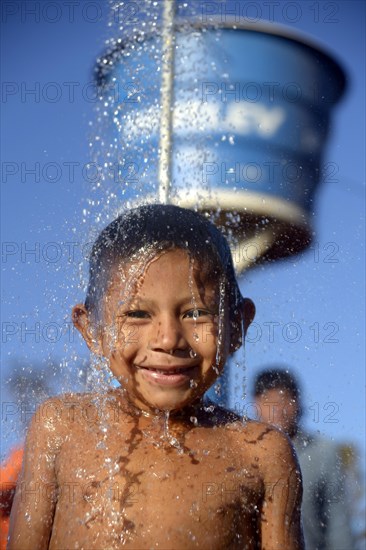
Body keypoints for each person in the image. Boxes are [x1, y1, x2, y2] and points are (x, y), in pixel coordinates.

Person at [8, 204, 304, 549]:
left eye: (196, 313)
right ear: (92, 331)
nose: (167, 339)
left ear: (236, 325)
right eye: (137, 314)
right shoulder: (62, 427)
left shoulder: (261, 453)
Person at [253, 368, 355, 550]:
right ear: (256, 405)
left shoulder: (323, 453)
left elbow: (338, 523)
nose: (278, 410)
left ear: (298, 403)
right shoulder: (243, 454)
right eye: (270, 401)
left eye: (284, 401)